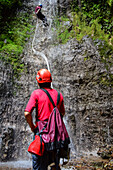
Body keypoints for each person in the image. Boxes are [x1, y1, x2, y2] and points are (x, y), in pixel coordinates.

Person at [24, 69, 65, 170]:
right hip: (56, 137)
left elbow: (27, 113)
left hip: (41, 135)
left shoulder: (36, 93)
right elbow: (62, 113)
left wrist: (33, 127)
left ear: (38, 81)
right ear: (51, 80)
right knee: (54, 164)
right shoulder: (59, 95)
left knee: (39, 164)